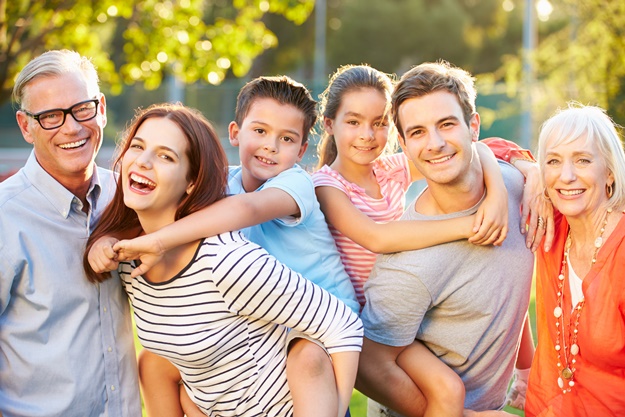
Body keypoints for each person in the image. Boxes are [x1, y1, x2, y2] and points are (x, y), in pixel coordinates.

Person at [88, 76, 359, 417]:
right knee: (155, 363)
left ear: (302, 150)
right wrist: (107, 240)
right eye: (260, 131)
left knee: (307, 357)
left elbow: (244, 210)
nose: (271, 146)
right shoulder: (223, 186)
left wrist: (158, 241)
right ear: (235, 132)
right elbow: (164, 208)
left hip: (323, 329)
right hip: (268, 326)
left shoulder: (294, 185)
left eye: (286, 138)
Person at [312, 64, 544, 414]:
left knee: (448, 387)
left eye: (378, 123)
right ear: (329, 124)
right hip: (357, 325)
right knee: (447, 392)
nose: (367, 135)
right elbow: (377, 237)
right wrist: (469, 226)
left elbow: (473, 151)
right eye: (353, 122)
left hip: (402, 323)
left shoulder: (389, 169)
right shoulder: (327, 185)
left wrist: (510, 182)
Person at [0, 50, 141, 417]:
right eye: (49, 116)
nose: (72, 128)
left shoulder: (129, 197)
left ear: (102, 108)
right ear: (25, 126)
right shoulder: (5, 218)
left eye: (82, 108)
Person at [525, 103, 625, 416]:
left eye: (582, 160)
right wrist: (527, 170)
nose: (566, 176)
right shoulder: (549, 227)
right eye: (553, 161)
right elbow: (485, 150)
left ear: (609, 170)